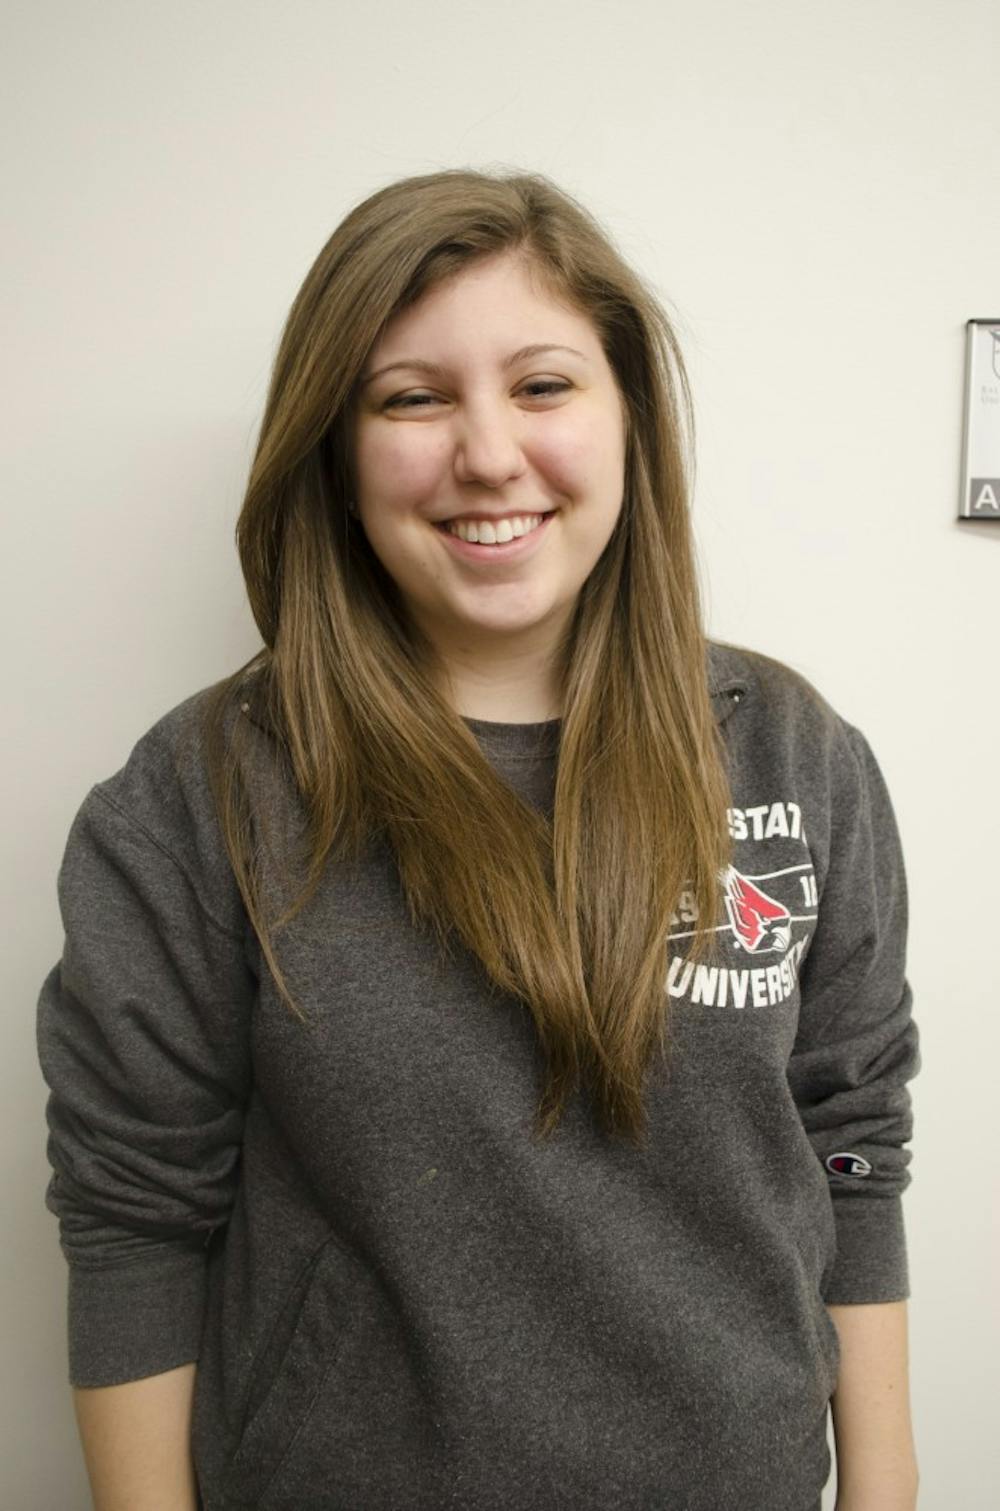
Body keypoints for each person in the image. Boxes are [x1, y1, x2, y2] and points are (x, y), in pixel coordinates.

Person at [36, 169, 920, 1511]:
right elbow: (133, 1222)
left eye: (543, 385)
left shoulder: (795, 755)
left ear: (630, 419)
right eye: (412, 398)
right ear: (334, 453)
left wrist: (885, 1490)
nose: (491, 454)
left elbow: (851, 1146)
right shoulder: (196, 797)